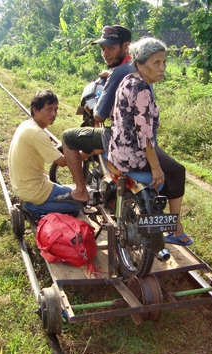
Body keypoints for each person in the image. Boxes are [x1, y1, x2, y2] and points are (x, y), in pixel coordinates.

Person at [107, 37, 193, 246]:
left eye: (164, 62)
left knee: (169, 165)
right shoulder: (142, 90)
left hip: (118, 150)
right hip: (134, 155)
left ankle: (166, 221)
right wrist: (156, 168)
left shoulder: (128, 80)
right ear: (140, 64)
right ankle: (175, 228)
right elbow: (145, 138)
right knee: (178, 171)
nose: (162, 67)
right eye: (157, 63)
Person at [55, 25, 134, 205]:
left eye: (111, 48)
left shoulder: (118, 72)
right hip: (143, 137)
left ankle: (81, 191)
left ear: (126, 46)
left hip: (121, 137)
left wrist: (110, 78)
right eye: (103, 49)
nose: (106, 53)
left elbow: (99, 116)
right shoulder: (140, 67)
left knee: (68, 137)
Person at [8, 90, 81, 220]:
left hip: (26, 187)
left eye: (56, 109)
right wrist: (89, 152)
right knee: (77, 206)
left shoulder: (27, 125)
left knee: (72, 194)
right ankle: (32, 208)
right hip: (34, 191)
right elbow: (63, 162)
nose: (54, 114)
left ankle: (29, 202)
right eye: (49, 109)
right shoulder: (37, 133)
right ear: (35, 110)